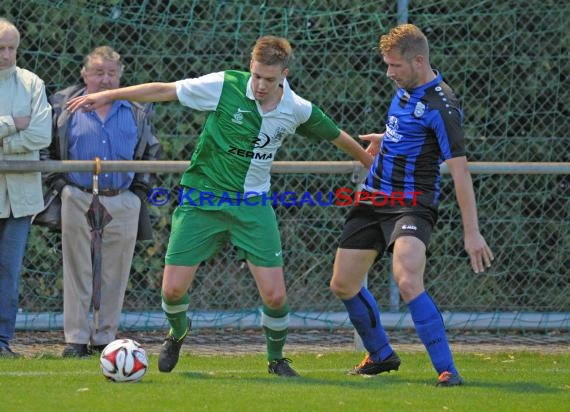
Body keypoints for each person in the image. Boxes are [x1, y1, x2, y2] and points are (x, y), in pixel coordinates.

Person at [67, 35, 373, 376]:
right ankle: (178, 332)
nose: (259, 85)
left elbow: (335, 135)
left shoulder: (296, 109)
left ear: (284, 75)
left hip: (253, 206)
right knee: (171, 290)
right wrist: (108, 94)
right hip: (202, 199)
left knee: (275, 296)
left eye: (269, 79)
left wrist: (367, 161)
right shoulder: (225, 86)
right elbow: (163, 90)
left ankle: (276, 360)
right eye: (256, 76)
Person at [329, 24, 494, 386]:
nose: (389, 73)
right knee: (343, 284)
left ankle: (447, 370)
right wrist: (387, 139)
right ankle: (381, 355)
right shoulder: (404, 89)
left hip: (411, 205)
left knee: (406, 280)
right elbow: (410, 131)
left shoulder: (443, 105)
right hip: (374, 197)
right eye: (387, 65)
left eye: (395, 66)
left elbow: (461, 173)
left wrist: (472, 233)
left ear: (418, 61)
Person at [42, 46, 160, 357]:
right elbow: (47, 149)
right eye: (98, 72)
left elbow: (151, 151)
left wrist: (138, 194)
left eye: (111, 73)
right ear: (84, 74)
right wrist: (62, 186)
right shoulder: (63, 105)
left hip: (123, 198)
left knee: (115, 272)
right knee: (78, 267)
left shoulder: (137, 108)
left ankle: (104, 338)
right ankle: (76, 339)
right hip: (77, 195)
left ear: (120, 76)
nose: (105, 79)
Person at [0, 18, 52, 358]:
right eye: (0, 48)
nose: (6, 54)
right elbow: (27, 133)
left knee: (9, 274)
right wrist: (12, 125)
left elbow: (42, 135)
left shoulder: (32, 83)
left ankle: (2, 342)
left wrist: (3, 139)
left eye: (11, 48)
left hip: (21, 199)